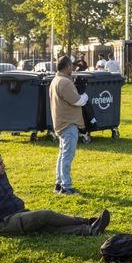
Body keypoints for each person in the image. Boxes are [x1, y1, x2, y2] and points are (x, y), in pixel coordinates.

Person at [0, 152, 110, 236]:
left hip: (19, 213)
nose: (4, 166)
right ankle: (88, 221)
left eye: (3, 162)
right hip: (3, 223)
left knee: (47, 227)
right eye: (0, 164)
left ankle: (89, 230)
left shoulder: (0, 175)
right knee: (45, 214)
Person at [49, 56, 88, 195]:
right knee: (67, 155)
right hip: (68, 122)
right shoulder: (65, 82)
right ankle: (67, 186)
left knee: (62, 154)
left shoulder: (55, 80)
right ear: (66, 67)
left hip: (61, 122)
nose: (72, 68)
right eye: (71, 66)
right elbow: (77, 101)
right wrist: (84, 95)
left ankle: (59, 183)